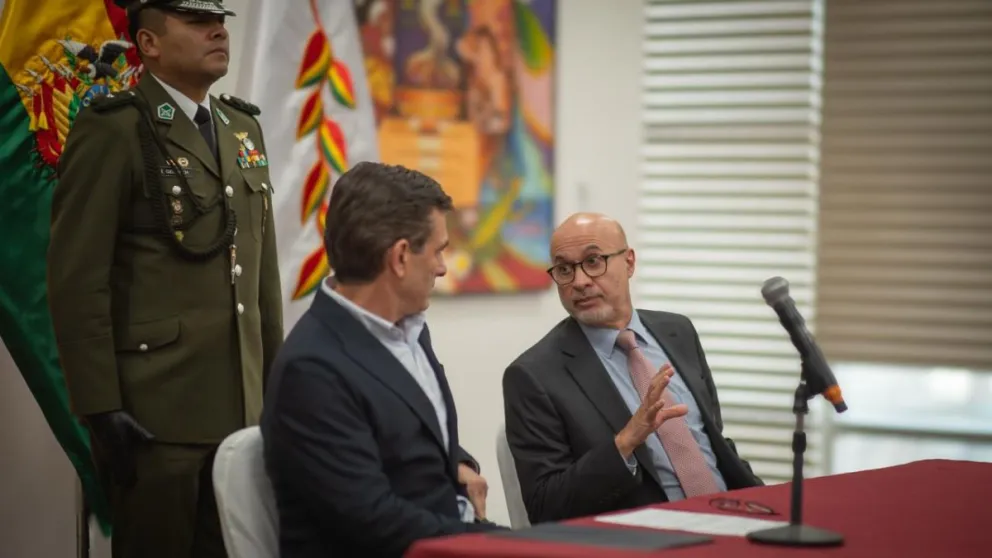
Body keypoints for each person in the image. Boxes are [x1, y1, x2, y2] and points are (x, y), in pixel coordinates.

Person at [47, 1, 282, 556]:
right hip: (157, 417)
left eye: (219, 20)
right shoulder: (115, 130)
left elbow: (261, 284)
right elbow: (78, 280)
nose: (218, 30)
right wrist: (100, 408)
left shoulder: (242, 127)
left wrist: (275, 397)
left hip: (244, 417)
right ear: (149, 43)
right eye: (197, 22)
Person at [261, 162, 507, 557]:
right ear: (400, 257)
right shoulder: (312, 370)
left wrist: (455, 463)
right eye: (439, 251)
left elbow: (406, 424)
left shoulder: (409, 328)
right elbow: (372, 520)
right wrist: (498, 543)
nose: (443, 268)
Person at [502, 212, 762, 524]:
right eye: (564, 269)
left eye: (594, 261)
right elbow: (545, 505)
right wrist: (625, 442)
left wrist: (763, 501)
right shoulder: (534, 375)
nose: (580, 281)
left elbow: (711, 440)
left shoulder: (678, 332)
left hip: (732, 515)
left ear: (629, 263)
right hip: (647, 537)